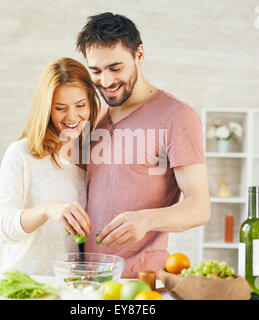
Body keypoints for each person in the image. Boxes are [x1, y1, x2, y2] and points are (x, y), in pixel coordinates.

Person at [76, 12, 211, 277]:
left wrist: (146, 219)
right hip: (88, 276)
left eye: (115, 68)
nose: (106, 81)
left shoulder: (177, 117)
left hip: (142, 281)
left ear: (139, 55)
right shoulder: (92, 116)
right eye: (96, 71)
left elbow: (199, 207)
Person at [0, 57, 99, 275]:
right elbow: (1, 224)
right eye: (60, 108)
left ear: (91, 103)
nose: (72, 117)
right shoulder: (22, 153)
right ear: (46, 108)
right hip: (21, 280)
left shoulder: (91, 159)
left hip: (66, 284)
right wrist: (47, 210)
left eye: (80, 105)